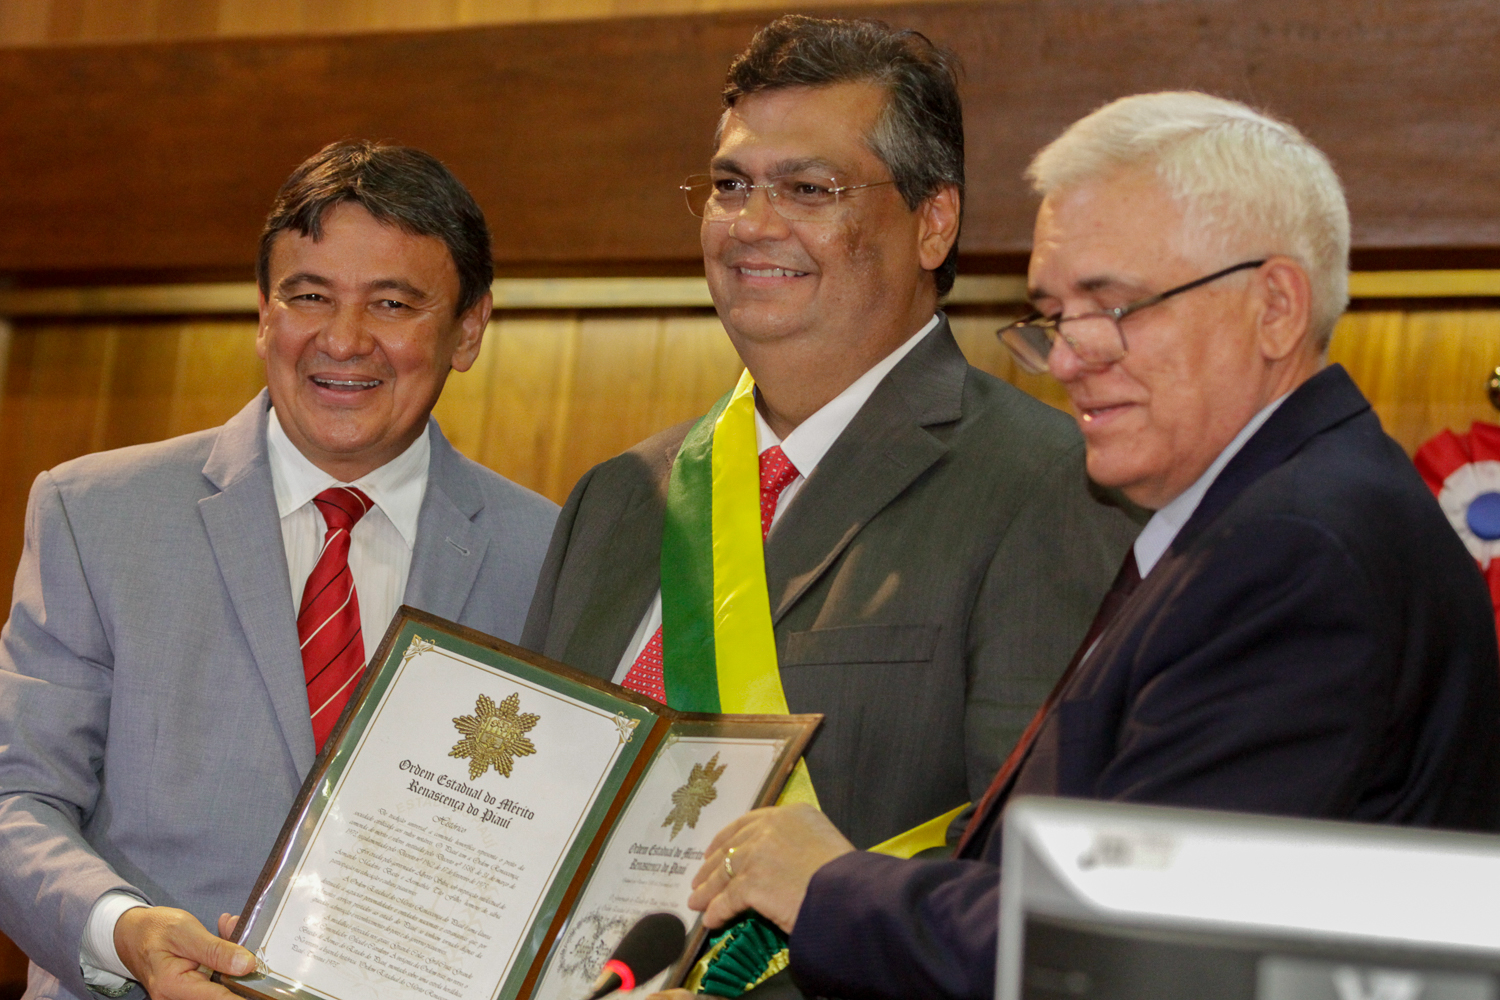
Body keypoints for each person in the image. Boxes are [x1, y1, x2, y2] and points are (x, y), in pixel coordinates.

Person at [675, 92, 1500, 1000]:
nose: (1070, 357)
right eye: (1056, 315)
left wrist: (829, 885)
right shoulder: (1259, 515)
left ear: (1274, 307)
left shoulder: (1297, 552)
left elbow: (1130, 955)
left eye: (1115, 307)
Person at [524, 15, 1137, 879]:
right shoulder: (617, 496)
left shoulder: (1050, 485)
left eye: (809, 189)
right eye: (732, 185)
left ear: (934, 222)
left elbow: (1031, 871)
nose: (750, 224)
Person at [0, 141, 559, 1000]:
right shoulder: (94, 514)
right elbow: (14, 799)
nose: (343, 340)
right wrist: (124, 933)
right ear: (264, 312)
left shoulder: (547, 552)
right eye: (309, 296)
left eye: (393, 303)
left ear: (470, 329)